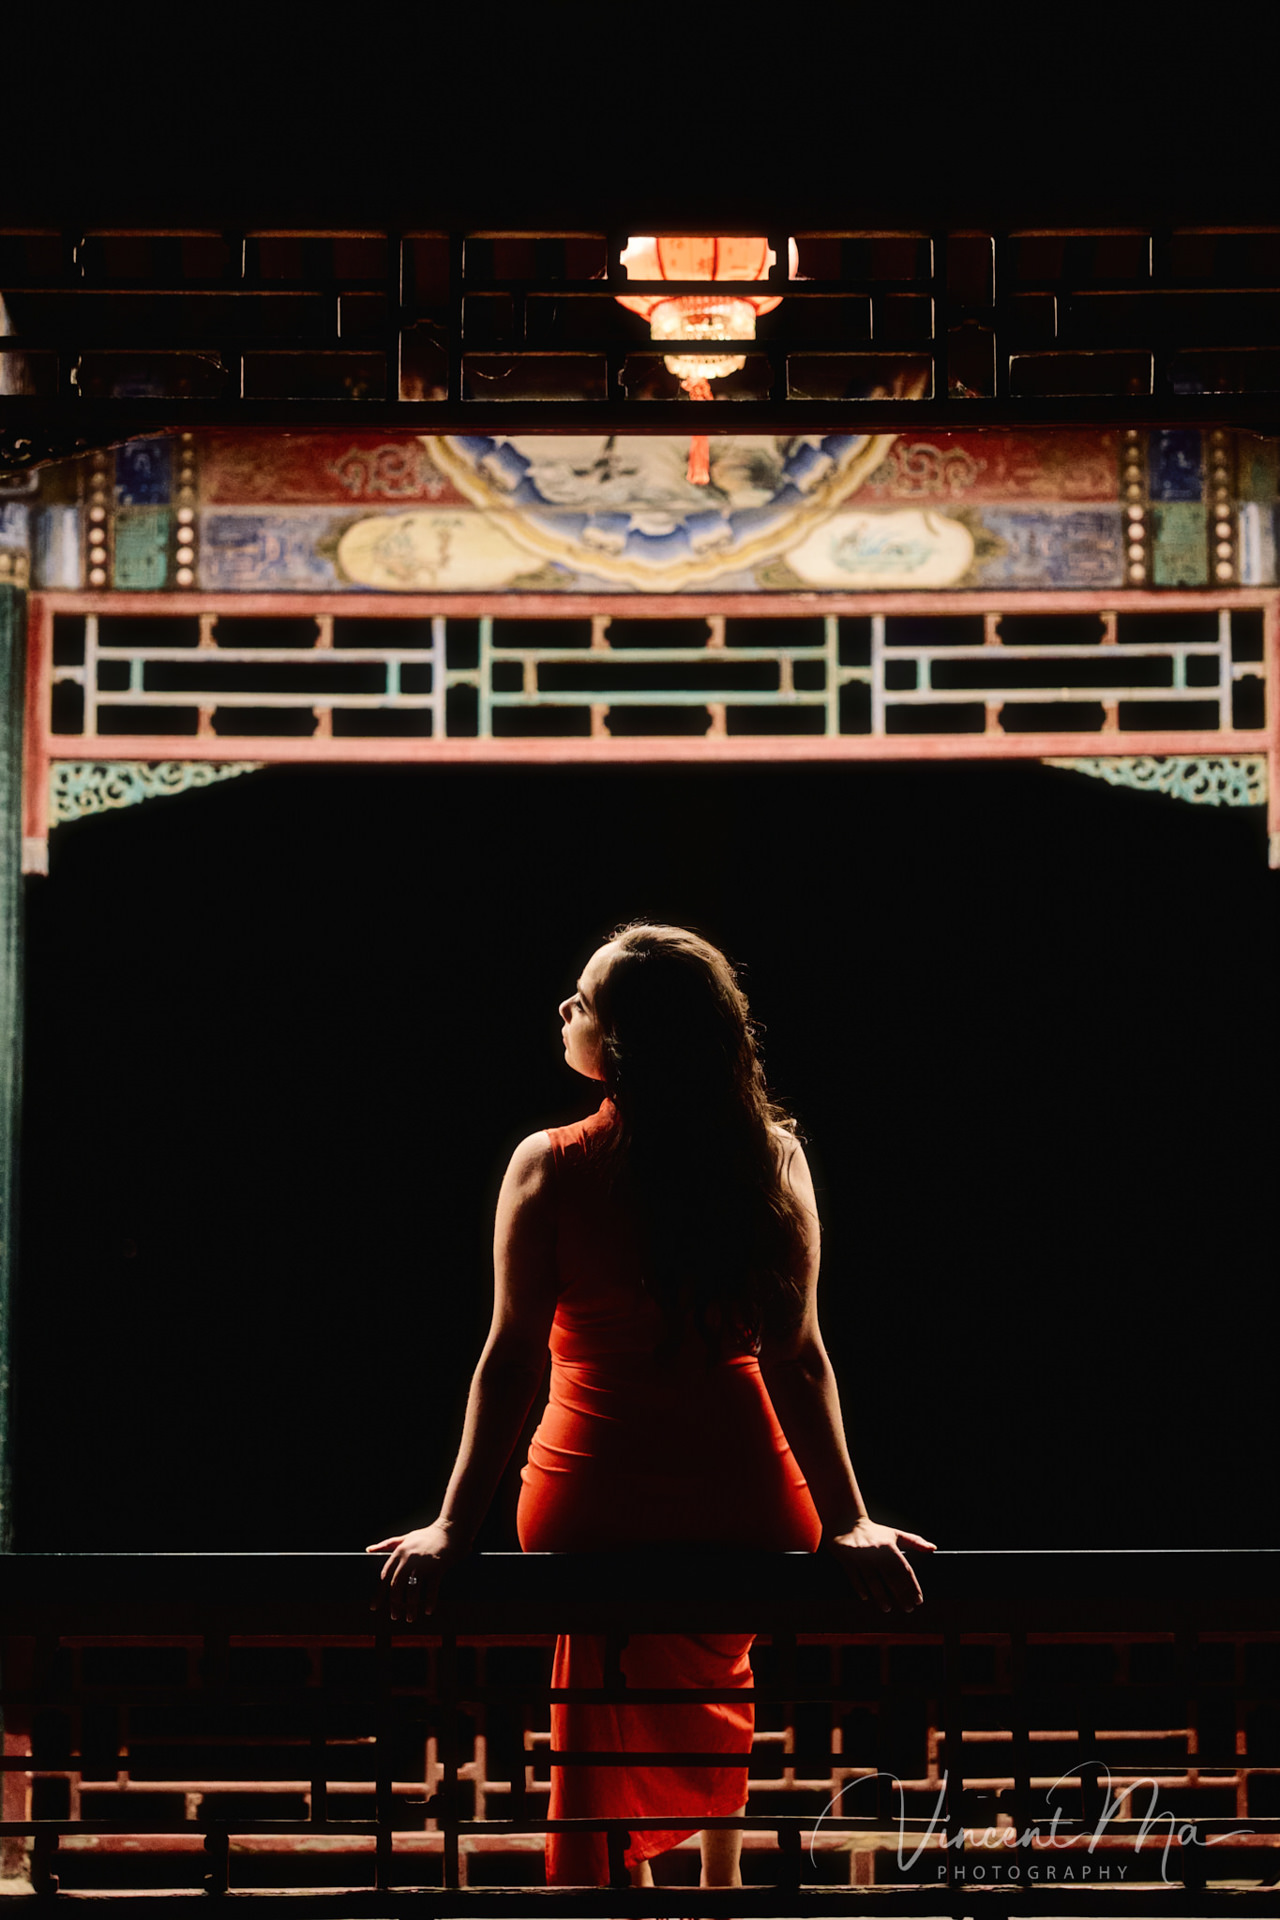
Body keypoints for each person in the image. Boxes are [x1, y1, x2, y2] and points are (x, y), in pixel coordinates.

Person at [367, 922, 935, 1891]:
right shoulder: (773, 1159)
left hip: (593, 1493)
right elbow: (797, 1358)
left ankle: (617, 1891)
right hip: (747, 1494)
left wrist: (452, 1527)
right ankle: (718, 1883)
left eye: (583, 1001)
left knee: (601, 1683)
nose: (564, 1009)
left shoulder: (549, 1162)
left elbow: (510, 1358)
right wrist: (846, 1520)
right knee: (719, 1671)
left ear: (623, 1040)